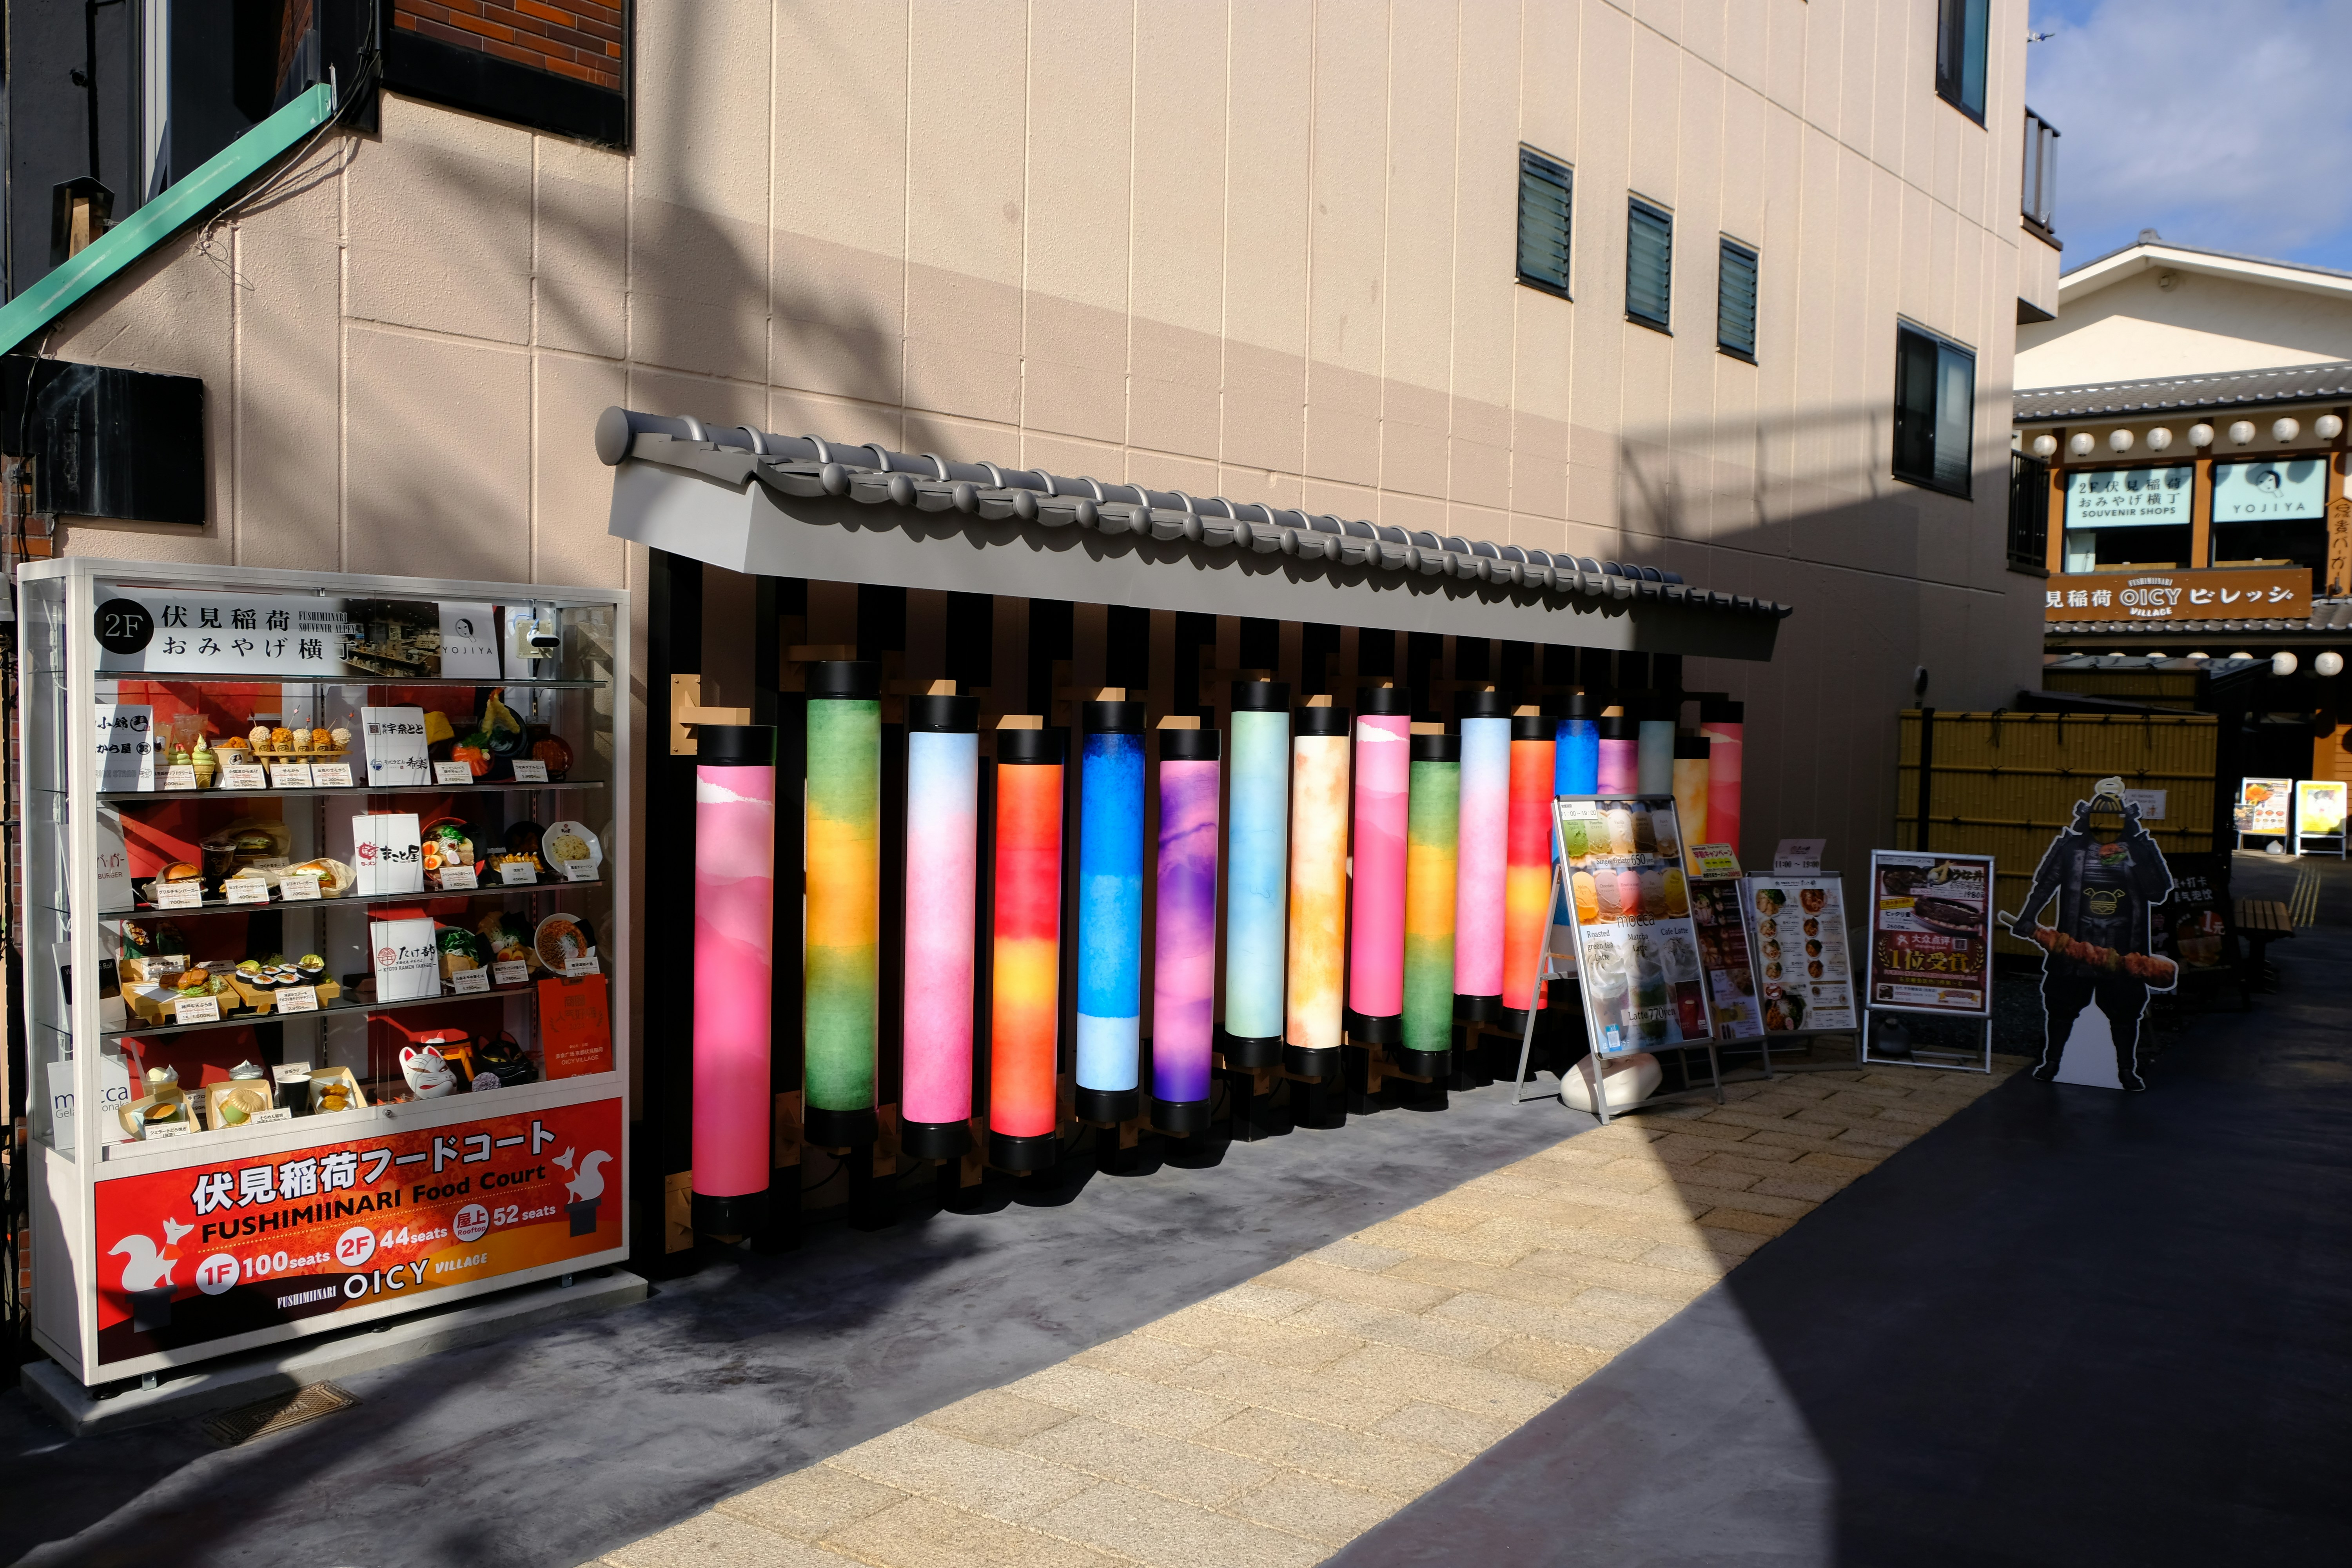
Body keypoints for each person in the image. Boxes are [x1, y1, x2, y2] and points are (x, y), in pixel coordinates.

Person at [2009, 789, 2174, 1091]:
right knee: (2061, 1008)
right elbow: (2045, 885)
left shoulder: (2140, 849)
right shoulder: (2071, 848)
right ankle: (2052, 1062)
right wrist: (2027, 917)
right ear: (2088, 820)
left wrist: (2136, 858)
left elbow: (2158, 892)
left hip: (2125, 945)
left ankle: (2127, 1069)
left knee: (2125, 1013)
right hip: (2075, 943)